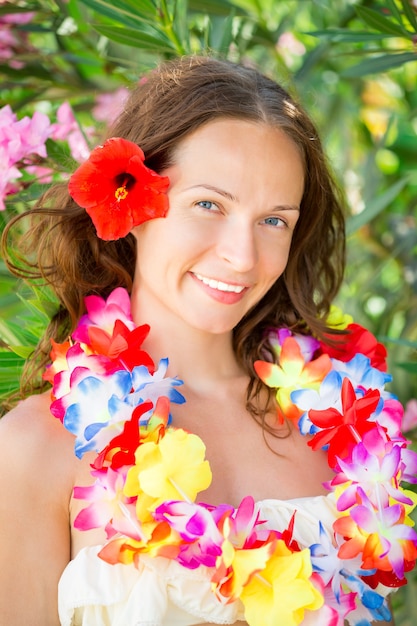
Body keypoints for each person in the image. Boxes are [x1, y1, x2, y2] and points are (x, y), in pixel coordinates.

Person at [0, 55, 413, 626]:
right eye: (208, 205)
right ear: (133, 203)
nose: (242, 257)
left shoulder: (343, 435)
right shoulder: (34, 448)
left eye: (275, 220)